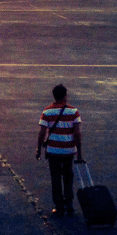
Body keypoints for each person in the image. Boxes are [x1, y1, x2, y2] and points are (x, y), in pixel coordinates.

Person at [36, 84, 83, 216]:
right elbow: (77, 134)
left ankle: (59, 206)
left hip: (53, 151)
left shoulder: (47, 111)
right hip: (68, 150)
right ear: (65, 96)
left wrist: (39, 149)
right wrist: (79, 154)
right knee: (68, 176)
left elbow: (42, 133)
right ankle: (69, 204)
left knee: (55, 178)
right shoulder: (73, 111)